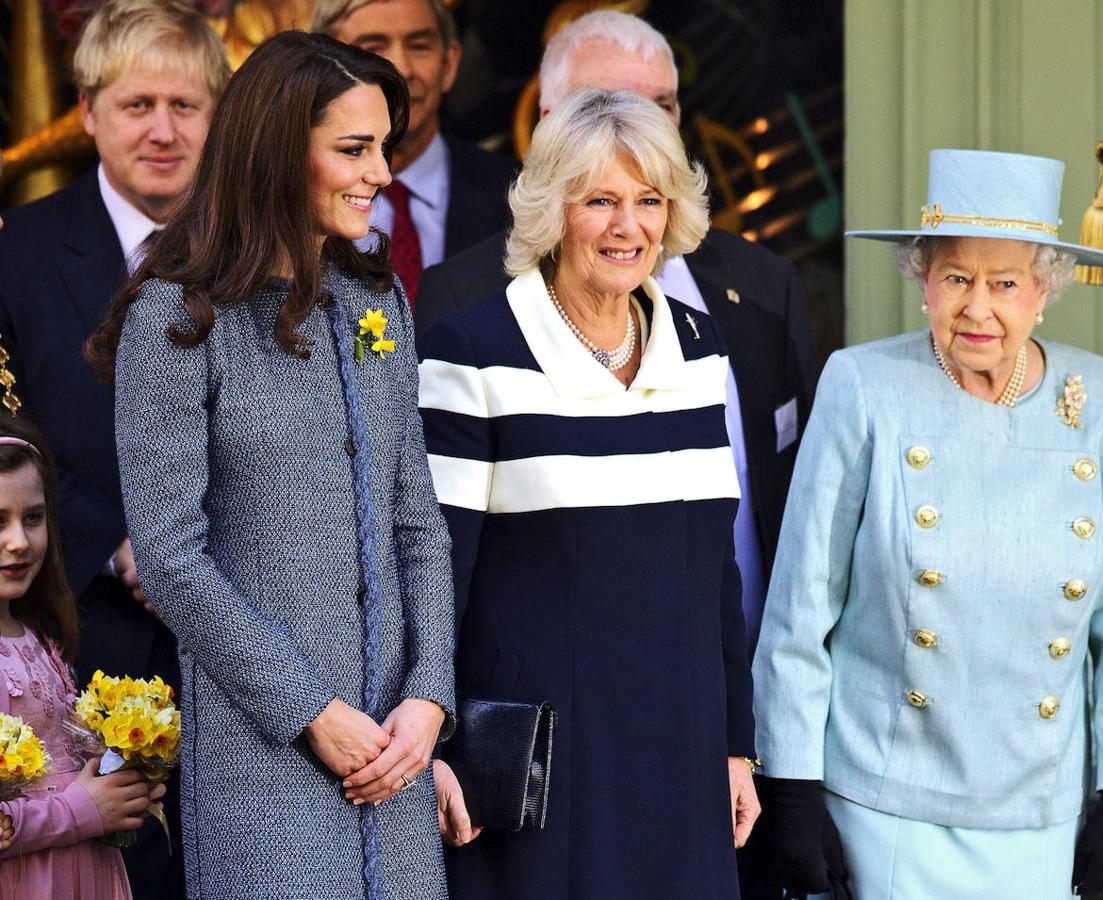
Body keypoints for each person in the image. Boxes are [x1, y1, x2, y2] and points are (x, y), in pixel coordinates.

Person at [86, 32, 457, 899]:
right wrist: (312, 715)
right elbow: (173, 559)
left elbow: (417, 527)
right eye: (354, 150)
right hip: (265, 763)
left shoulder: (380, 300)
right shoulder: (175, 316)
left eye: (384, 149)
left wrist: (427, 701)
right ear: (280, 152)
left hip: (395, 758)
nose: (379, 172)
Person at [753, 149, 1103, 899]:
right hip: (884, 798)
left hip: (1041, 805)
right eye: (955, 278)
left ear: (1044, 290)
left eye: (1004, 283)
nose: (977, 308)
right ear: (922, 282)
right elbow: (801, 605)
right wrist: (790, 783)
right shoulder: (864, 386)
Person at [419, 87, 760, 898]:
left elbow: (716, 572)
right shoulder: (472, 352)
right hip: (541, 768)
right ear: (550, 210)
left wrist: (735, 746)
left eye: (648, 201)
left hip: (682, 751)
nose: (627, 226)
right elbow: (432, 578)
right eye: (599, 200)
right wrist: (430, 741)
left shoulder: (698, 345)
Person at [0, 3, 228, 895]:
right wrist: (123, 544)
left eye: (186, 104)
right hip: (79, 624)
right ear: (88, 110)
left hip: (237, 631)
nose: (163, 131)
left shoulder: (263, 252)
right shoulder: (16, 256)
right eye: (137, 105)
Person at [0, 416, 166, 898]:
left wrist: (121, 779)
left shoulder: (39, 637)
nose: (19, 541)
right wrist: (84, 810)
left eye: (33, 518)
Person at [313, 0, 515, 305]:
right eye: (374, 46)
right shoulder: (288, 199)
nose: (402, 69)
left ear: (449, 63)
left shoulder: (516, 195)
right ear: (322, 67)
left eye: (419, 46)